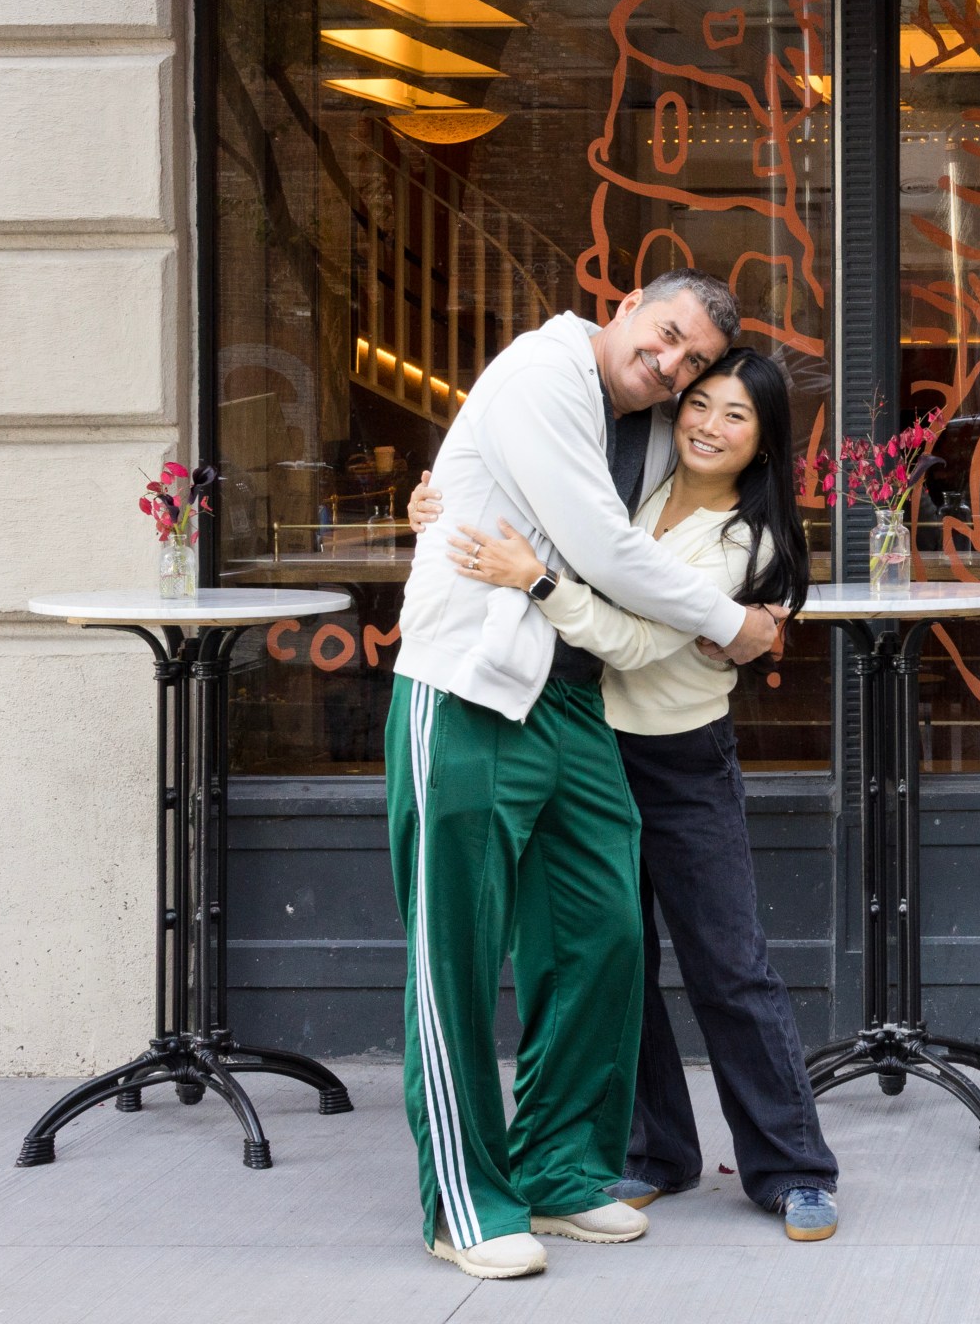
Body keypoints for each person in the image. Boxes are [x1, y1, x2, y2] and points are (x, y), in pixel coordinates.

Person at [390, 271, 783, 1281]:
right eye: (665, 339)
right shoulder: (543, 371)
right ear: (625, 311)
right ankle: (465, 1203)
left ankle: (561, 1172)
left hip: (572, 698)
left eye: (691, 362)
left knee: (603, 933)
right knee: (458, 957)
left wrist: (436, 489)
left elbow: (639, 531)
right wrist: (729, 622)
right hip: (469, 685)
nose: (670, 366)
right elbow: (607, 547)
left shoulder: (645, 420)